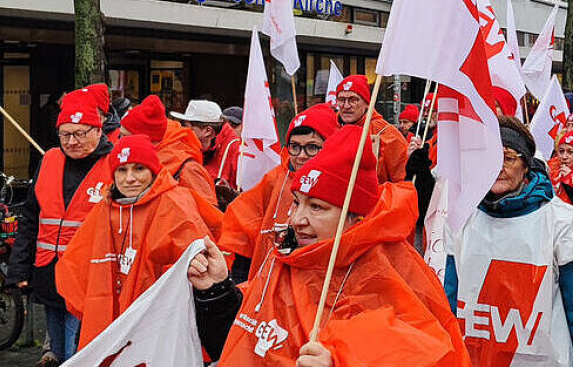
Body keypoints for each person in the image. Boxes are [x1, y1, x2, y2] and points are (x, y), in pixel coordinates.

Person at [188, 126, 470, 366]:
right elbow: (241, 344)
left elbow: (427, 351)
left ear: (354, 215)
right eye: (297, 202)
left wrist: (340, 359)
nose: (298, 219)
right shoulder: (287, 259)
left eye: (317, 207)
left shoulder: (388, 270)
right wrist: (215, 291)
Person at [444, 117, 573, 367]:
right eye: (490, 158)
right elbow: (450, 305)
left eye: (508, 158)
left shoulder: (563, 223)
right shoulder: (461, 218)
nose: (498, 167)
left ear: (526, 165)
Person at [56, 135, 219, 349]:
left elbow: (198, 267)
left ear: (153, 170)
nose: (130, 178)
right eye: (122, 171)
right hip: (112, 319)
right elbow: (76, 263)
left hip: (158, 323)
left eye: (139, 169)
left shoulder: (174, 203)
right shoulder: (106, 207)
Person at [7, 85, 115, 363]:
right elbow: (31, 219)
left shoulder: (114, 165)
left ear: (98, 130)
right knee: (57, 348)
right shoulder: (49, 160)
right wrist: (18, 268)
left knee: (76, 352)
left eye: (80, 133)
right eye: (65, 134)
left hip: (89, 279)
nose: (72, 141)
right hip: (48, 273)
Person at [218, 105, 340, 282]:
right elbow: (243, 219)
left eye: (312, 148)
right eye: (295, 147)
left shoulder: (342, 184)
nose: (301, 155)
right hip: (271, 278)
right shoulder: (276, 178)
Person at [119, 96, 220, 207]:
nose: (119, 142)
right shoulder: (132, 164)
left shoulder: (188, 169)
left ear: (147, 139)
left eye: (125, 136)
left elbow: (208, 216)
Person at [333, 75, 410, 183]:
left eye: (353, 100)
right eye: (341, 99)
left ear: (367, 104)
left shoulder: (387, 134)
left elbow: (402, 184)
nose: (346, 106)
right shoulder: (331, 129)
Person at [171, 100, 242, 193]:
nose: (183, 132)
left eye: (188, 128)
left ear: (207, 131)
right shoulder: (197, 146)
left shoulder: (236, 149)